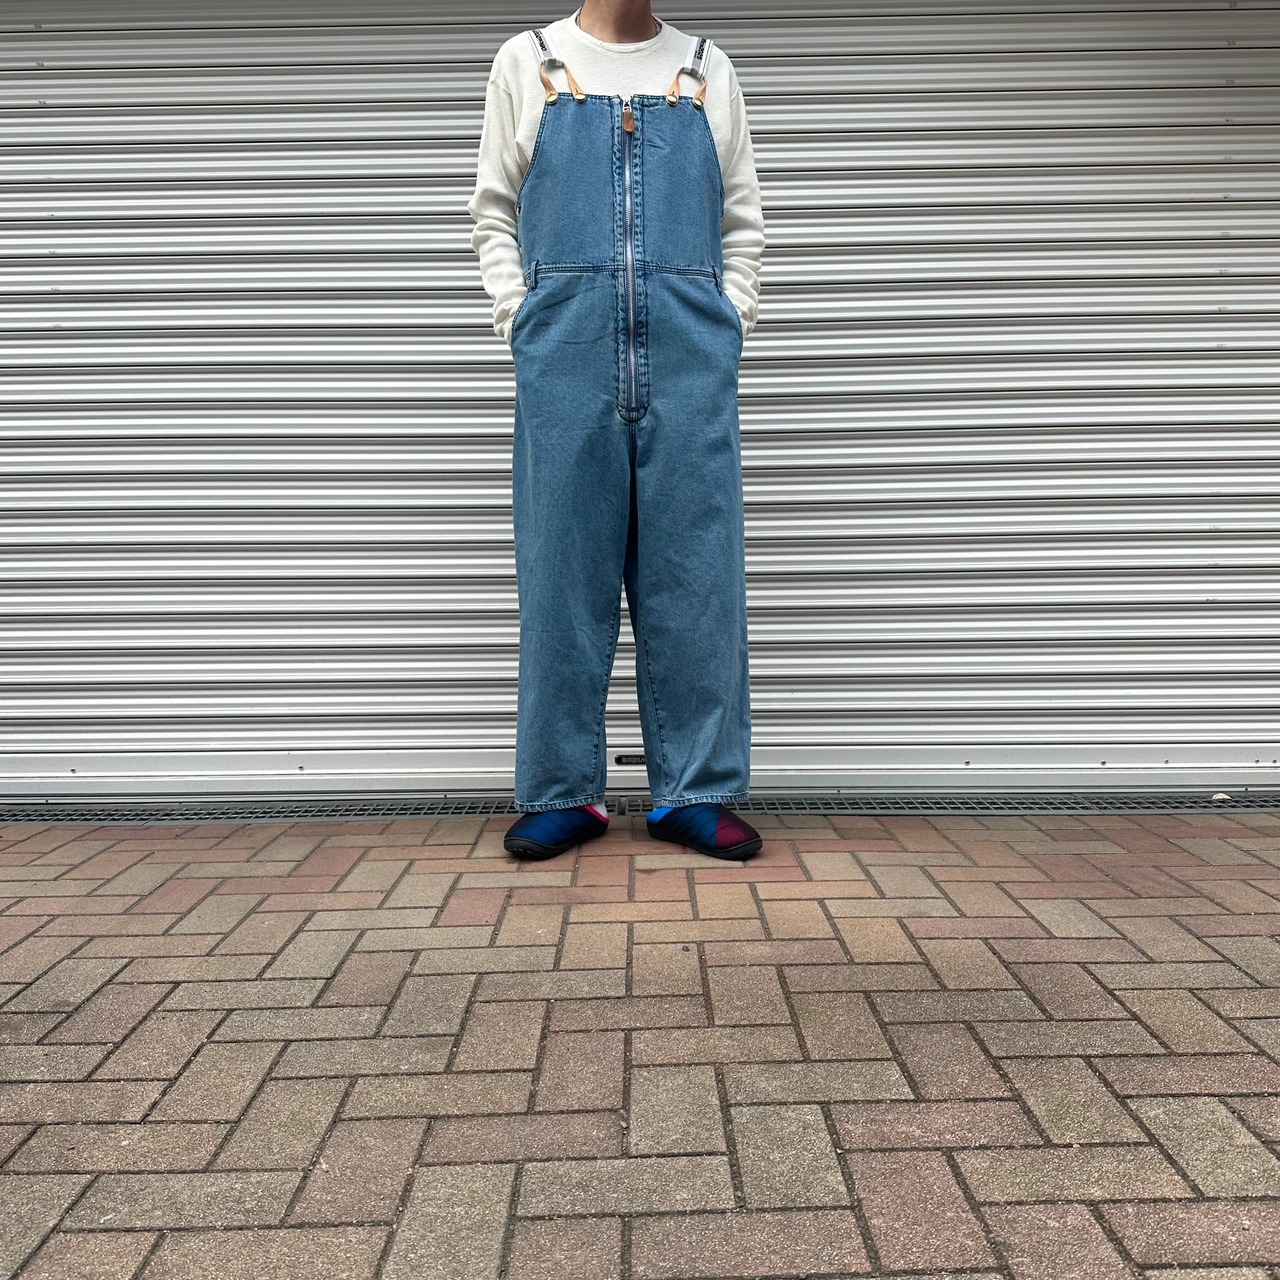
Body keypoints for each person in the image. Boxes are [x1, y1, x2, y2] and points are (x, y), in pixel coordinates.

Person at [468, 2, 765, 862]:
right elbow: (493, 211)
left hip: (689, 350)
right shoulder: (528, 62)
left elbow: (742, 219)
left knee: (698, 576)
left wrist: (727, 318)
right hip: (565, 353)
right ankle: (563, 793)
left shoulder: (706, 69)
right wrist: (522, 318)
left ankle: (695, 792)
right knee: (561, 575)